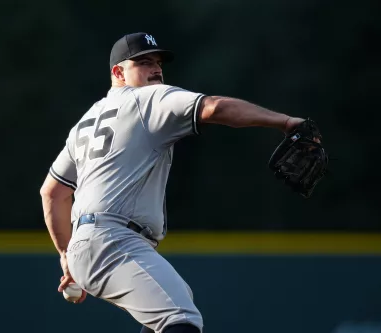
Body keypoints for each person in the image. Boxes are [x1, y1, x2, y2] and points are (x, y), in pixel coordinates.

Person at [40, 32, 305, 333]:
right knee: (181, 320)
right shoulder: (146, 98)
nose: (155, 69)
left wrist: (66, 256)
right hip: (113, 239)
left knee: (169, 311)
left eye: (158, 62)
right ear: (118, 72)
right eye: (143, 62)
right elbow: (215, 107)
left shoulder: (85, 122)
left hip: (93, 243)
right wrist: (284, 122)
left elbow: (53, 192)